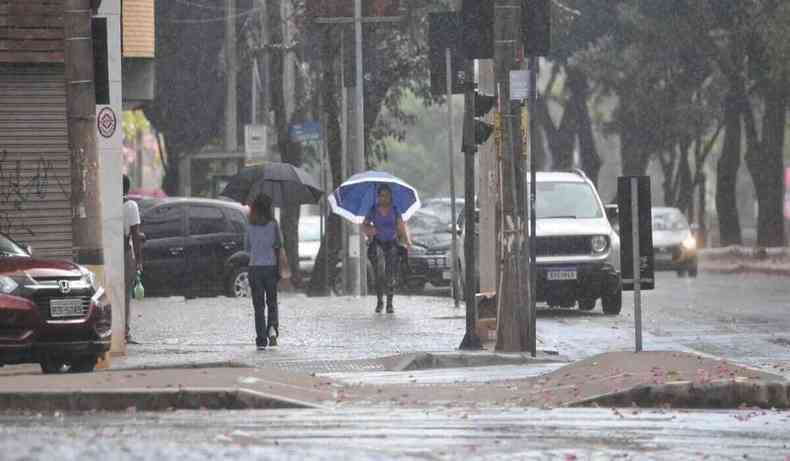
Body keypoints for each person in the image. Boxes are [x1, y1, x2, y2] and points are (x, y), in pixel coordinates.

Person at [363, 184, 412, 314]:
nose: (384, 198)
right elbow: (365, 225)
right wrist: (370, 230)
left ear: (390, 197)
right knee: (379, 272)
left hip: (392, 242)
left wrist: (407, 242)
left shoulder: (395, 210)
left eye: (387, 195)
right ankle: (379, 301)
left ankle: (390, 303)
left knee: (391, 273)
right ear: (378, 196)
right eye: (382, 195)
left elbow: (401, 226)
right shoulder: (373, 210)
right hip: (378, 242)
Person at [245, 194, 283, 350]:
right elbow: (279, 244)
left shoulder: (249, 226)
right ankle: (272, 330)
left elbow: (246, 248)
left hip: (254, 268)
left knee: (259, 306)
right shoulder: (273, 225)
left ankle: (261, 339)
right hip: (271, 268)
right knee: (272, 302)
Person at [123, 175, 143, 344]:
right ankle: (125, 333)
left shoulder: (104, 203)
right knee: (125, 295)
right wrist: (139, 261)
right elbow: (136, 235)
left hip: (107, 255)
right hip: (124, 253)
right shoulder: (130, 206)